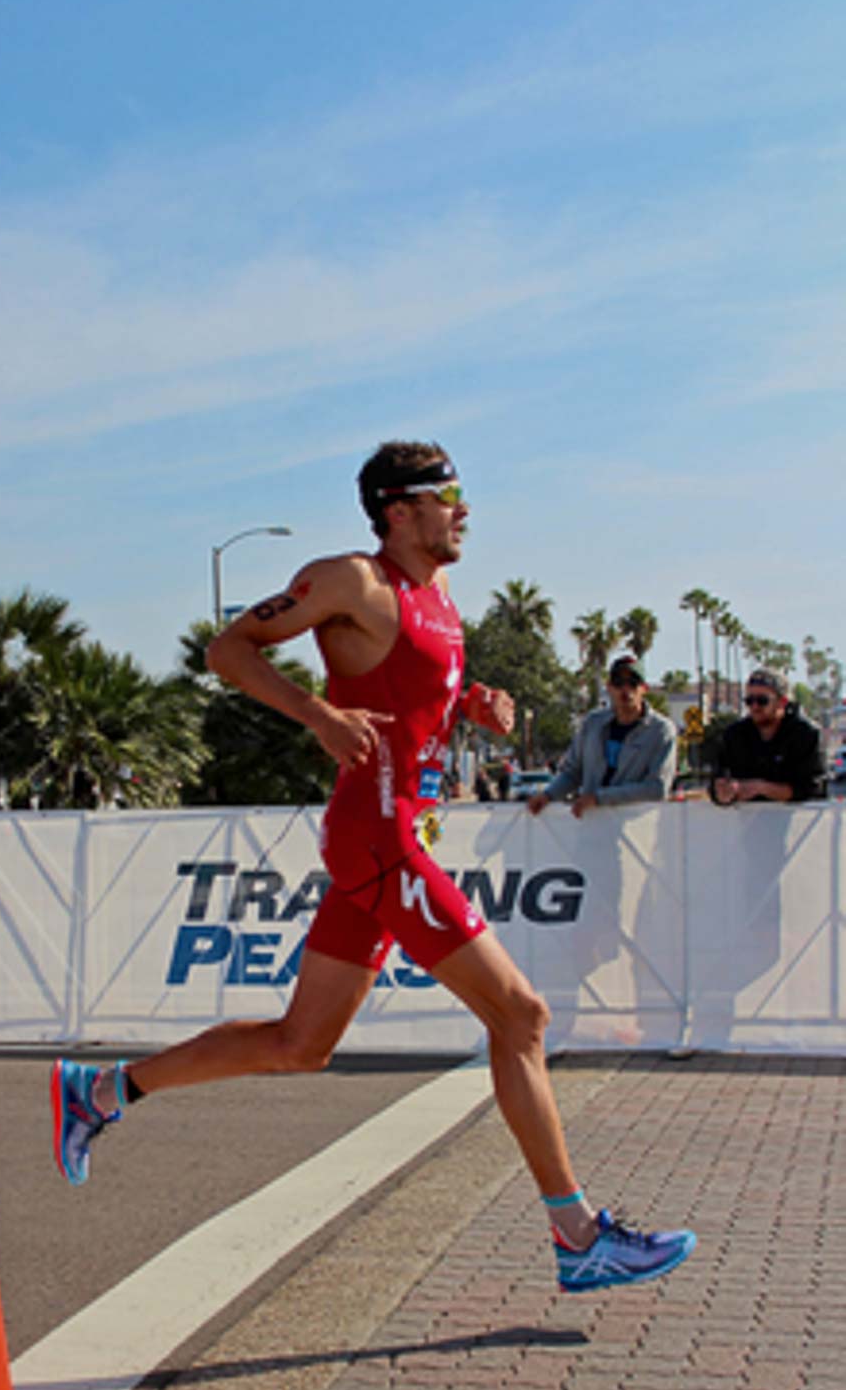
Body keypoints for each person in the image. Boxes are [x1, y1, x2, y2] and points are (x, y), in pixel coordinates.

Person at [49, 441, 696, 1294]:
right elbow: (229, 651)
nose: (464, 510)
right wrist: (315, 714)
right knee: (521, 1015)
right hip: (376, 836)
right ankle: (576, 1235)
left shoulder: (436, 595)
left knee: (299, 1044)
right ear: (398, 507)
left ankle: (100, 1092)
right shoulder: (351, 579)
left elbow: (410, 686)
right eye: (448, 495)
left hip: (396, 839)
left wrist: (473, 702)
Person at [528, 656, 676, 819]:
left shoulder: (661, 731)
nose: (625, 690)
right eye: (618, 682)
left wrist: (599, 798)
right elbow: (572, 773)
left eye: (633, 683)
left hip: (635, 832)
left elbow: (657, 789)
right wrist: (548, 796)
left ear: (644, 688)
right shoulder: (592, 724)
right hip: (590, 827)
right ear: (609, 687)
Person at [711, 668, 827, 805]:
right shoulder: (734, 735)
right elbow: (717, 778)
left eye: (762, 700)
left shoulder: (805, 734)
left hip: (797, 821)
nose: (754, 706)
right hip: (743, 822)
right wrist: (722, 791)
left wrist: (762, 788)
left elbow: (813, 788)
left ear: (782, 702)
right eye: (749, 700)